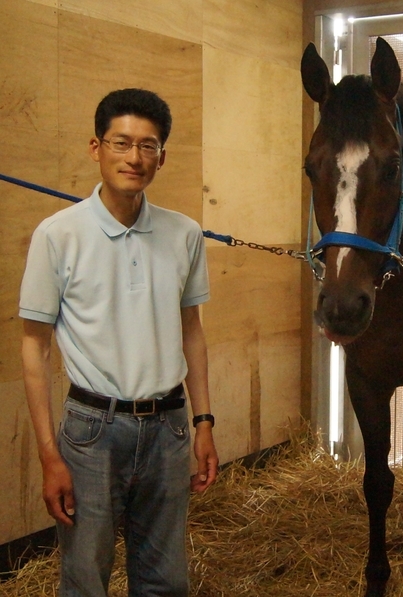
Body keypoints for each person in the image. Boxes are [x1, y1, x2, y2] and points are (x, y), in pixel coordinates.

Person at [20, 88, 219, 596]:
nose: (134, 158)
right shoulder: (57, 235)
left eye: (147, 146)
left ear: (161, 156)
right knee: (85, 577)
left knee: (166, 579)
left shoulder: (185, 234)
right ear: (96, 148)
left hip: (170, 429)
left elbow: (190, 332)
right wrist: (49, 454)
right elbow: (34, 348)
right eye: (121, 143)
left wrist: (203, 422)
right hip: (91, 432)